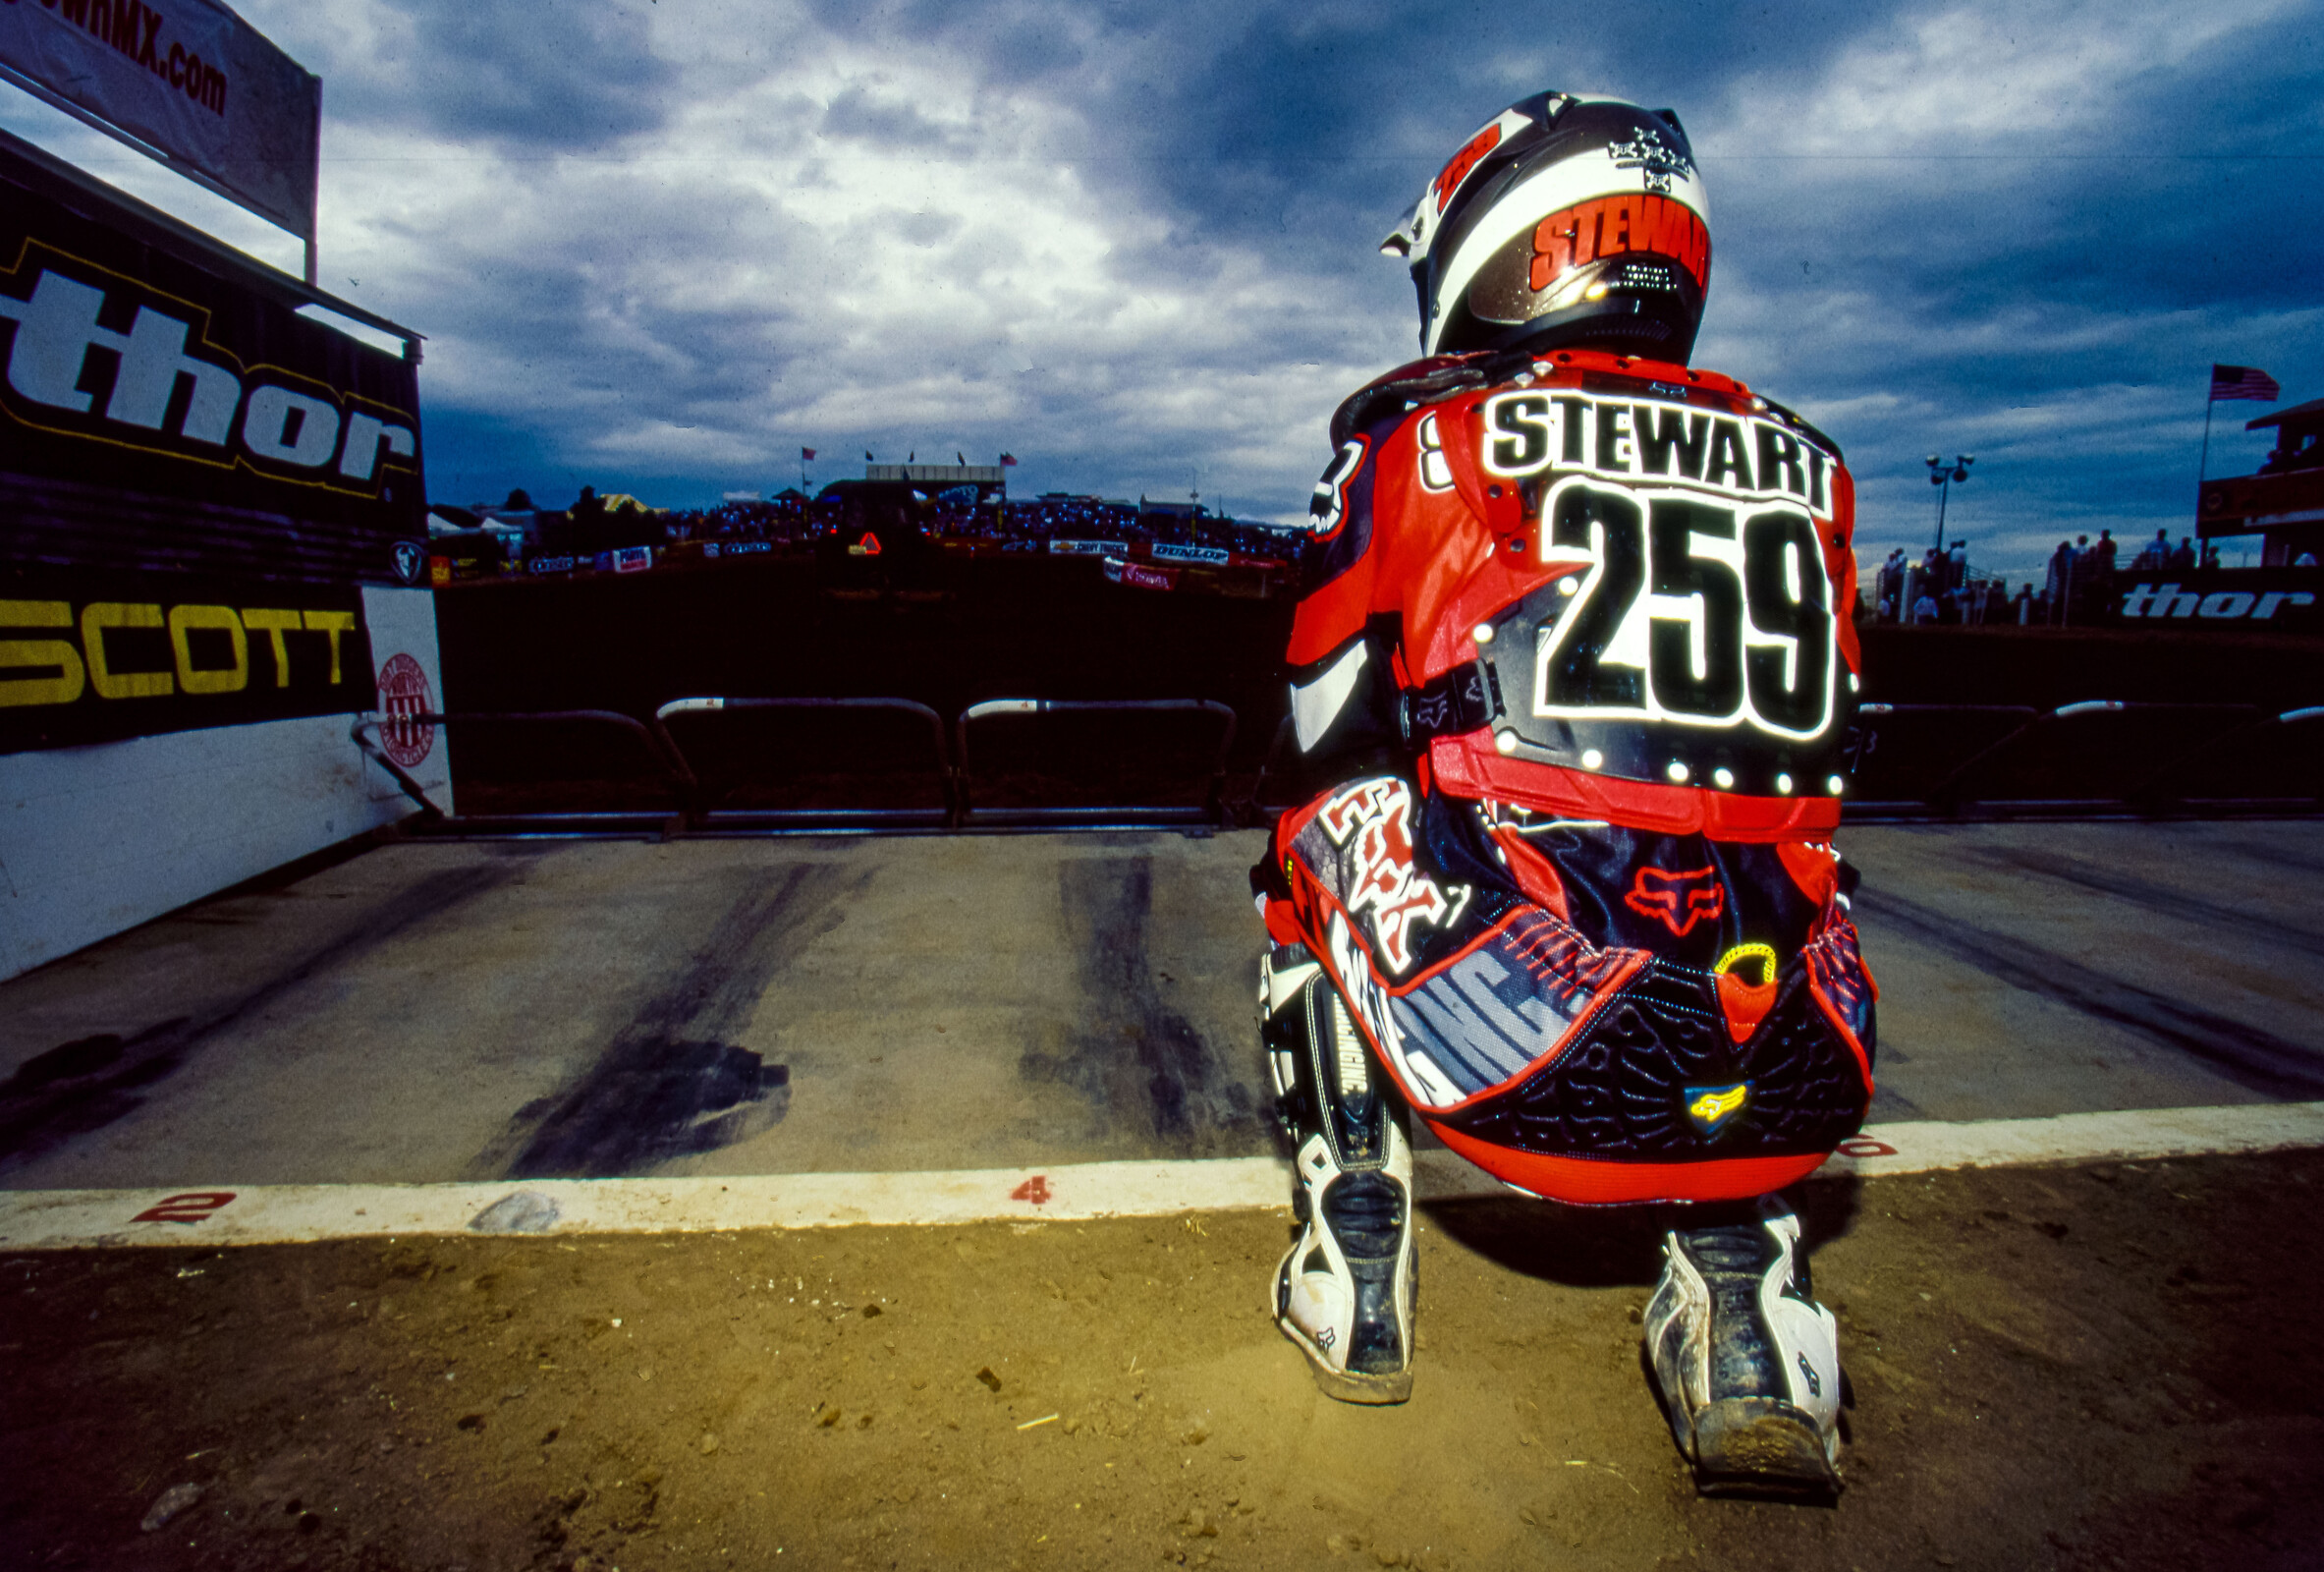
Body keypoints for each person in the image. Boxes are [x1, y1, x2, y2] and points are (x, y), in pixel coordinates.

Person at [1252, 92, 1871, 1497]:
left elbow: (1310, 718)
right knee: (1758, 863)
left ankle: (1351, 1262)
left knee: (1300, 843)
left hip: (1537, 1056)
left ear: (1500, 237)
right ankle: (1747, 1316)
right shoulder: (1813, 467)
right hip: (1799, 1064)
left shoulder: (1417, 430)